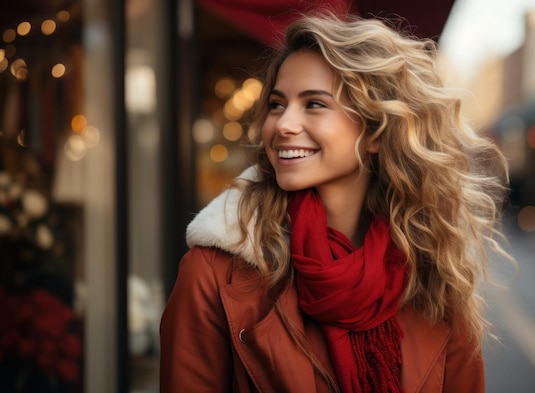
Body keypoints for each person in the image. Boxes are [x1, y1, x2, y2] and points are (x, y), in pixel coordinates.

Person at [160, 12, 512, 393]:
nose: (282, 125)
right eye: (277, 105)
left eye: (314, 104)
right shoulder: (214, 275)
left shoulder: (433, 277)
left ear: (376, 131)